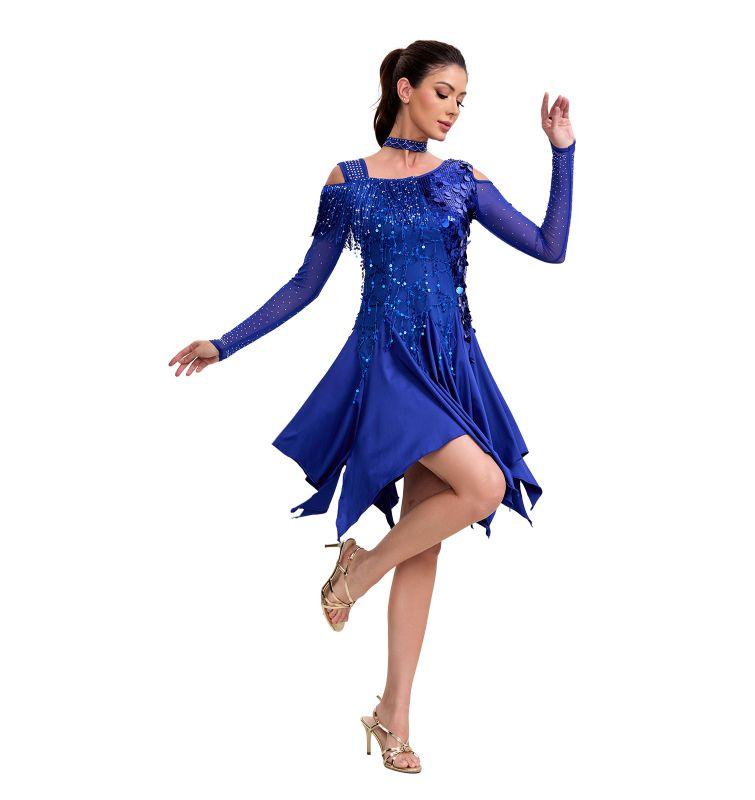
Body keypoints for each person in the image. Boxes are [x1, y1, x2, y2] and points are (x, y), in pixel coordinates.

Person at [169, 40, 575, 773]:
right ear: (405, 88)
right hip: (388, 366)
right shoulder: (348, 182)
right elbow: (306, 284)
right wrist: (225, 343)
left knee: (426, 540)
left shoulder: (462, 179)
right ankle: (353, 574)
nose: (454, 109)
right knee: (483, 484)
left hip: (451, 366)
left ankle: (393, 713)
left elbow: (551, 247)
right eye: (444, 93)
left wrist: (563, 153)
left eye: (463, 99)